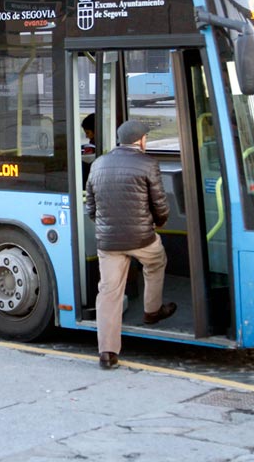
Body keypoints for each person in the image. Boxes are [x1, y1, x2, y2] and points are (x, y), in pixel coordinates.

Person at [84, 119, 173, 370]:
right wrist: (159, 223)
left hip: (108, 241)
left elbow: (91, 207)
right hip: (142, 238)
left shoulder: (98, 163)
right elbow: (159, 203)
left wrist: (105, 225)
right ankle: (152, 310)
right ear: (141, 140)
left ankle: (107, 352)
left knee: (109, 291)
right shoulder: (148, 163)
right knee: (156, 262)